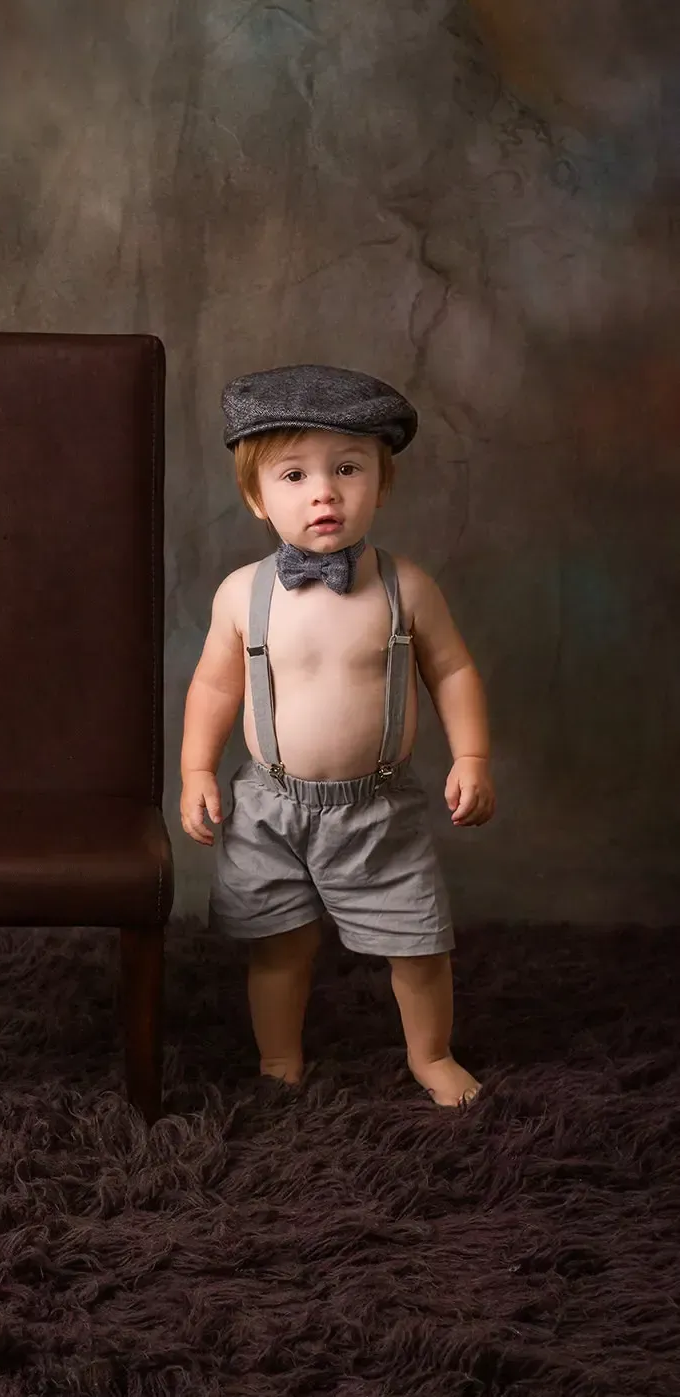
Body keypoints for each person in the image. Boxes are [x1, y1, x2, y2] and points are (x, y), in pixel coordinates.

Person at [179, 364, 496, 1107]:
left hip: (376, 808)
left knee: (417, 945)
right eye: (293, 474)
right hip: (269, 807)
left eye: (346, 468)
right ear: (257, 498)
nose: (323, 491)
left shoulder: (403, 586)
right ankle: (278, 1057)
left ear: (380, 484)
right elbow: (216, 686)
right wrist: (196, 769)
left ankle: (430, 1054)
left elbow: (451, 671)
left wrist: (472, 754)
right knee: (278, 945)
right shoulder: (241, 593)